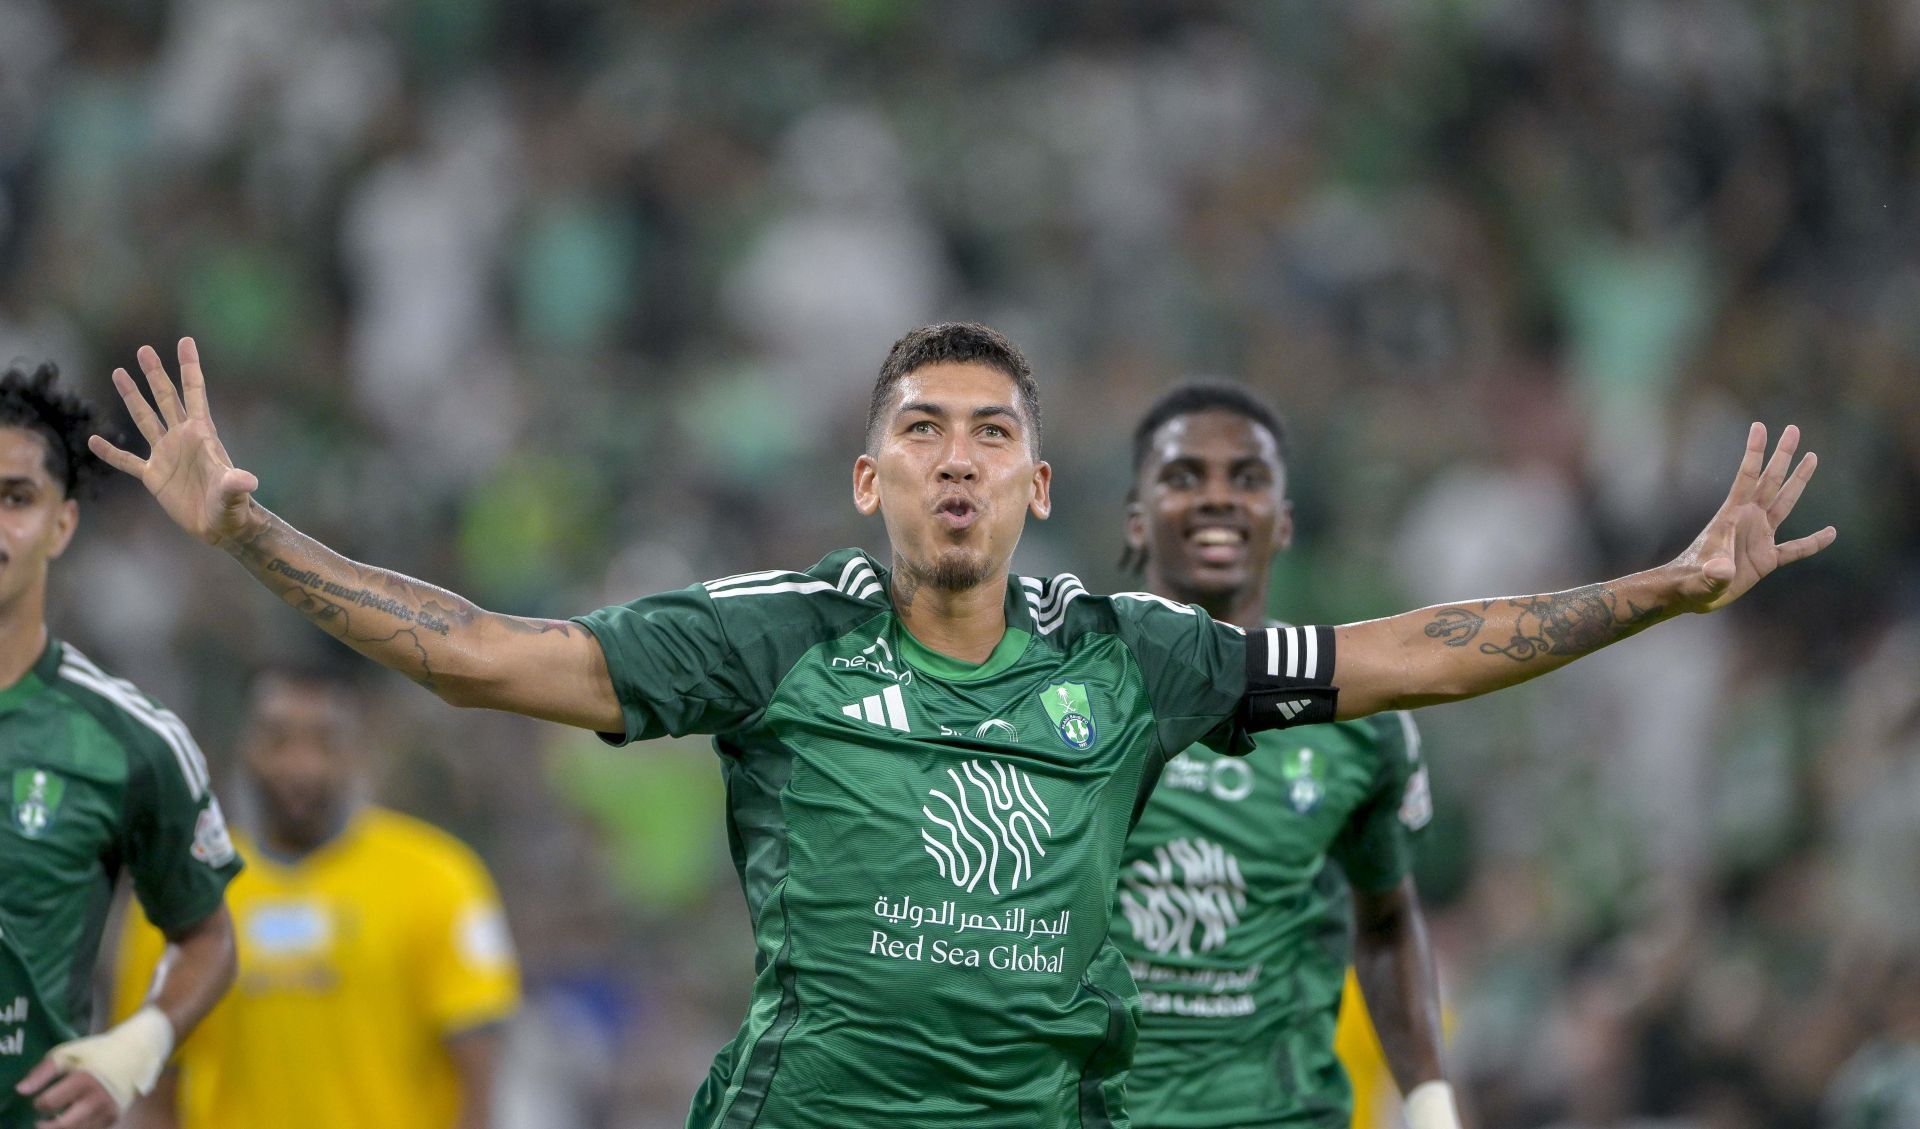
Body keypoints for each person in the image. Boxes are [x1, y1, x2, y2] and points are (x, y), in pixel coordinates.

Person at [90, 325, 1831, 1128]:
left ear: (1042, 484)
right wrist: (251, 529)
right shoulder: (774, 637)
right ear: (869, 475)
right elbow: (483, 653)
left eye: (990, 431)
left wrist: (1661, 585)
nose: (954, 455)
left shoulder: (1131, 653)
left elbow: (1416, 650)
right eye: (920, 427)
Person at [1109, 381, 1454, 1128]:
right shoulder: (1066, 694)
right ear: (1137, 523)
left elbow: (1389, 920)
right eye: (1183, 476)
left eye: (1248, 478)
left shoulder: (1361, 717)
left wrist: (1432, 1109)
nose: (1217, 498)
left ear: (1284, 522)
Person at [112, 663, 520, 1129]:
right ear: (243, 747)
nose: (301, 766)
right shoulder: (180, 893)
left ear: (361, 752)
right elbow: (153, 1094)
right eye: (277, 739)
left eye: (325, 741)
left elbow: (479, 1084)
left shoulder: (440, 878)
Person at [0, 363, 240, 1129]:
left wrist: (135, 1048)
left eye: (15, 498)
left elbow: (206, 936)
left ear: (62, 524)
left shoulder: (129, 741)